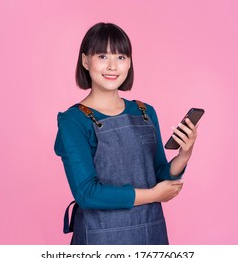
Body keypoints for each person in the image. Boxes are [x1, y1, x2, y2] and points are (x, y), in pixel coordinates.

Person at [54, 22, 198, 245]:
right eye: (103, 56)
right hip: (100, 239)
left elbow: (160, 177)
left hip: (151, 235)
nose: (113, 66)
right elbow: (87, 193)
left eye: (121, 57)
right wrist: (154, 195)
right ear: (85, 61)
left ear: (129, 63)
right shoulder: (73, 121)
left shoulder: (144, 112)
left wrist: (184, 154)